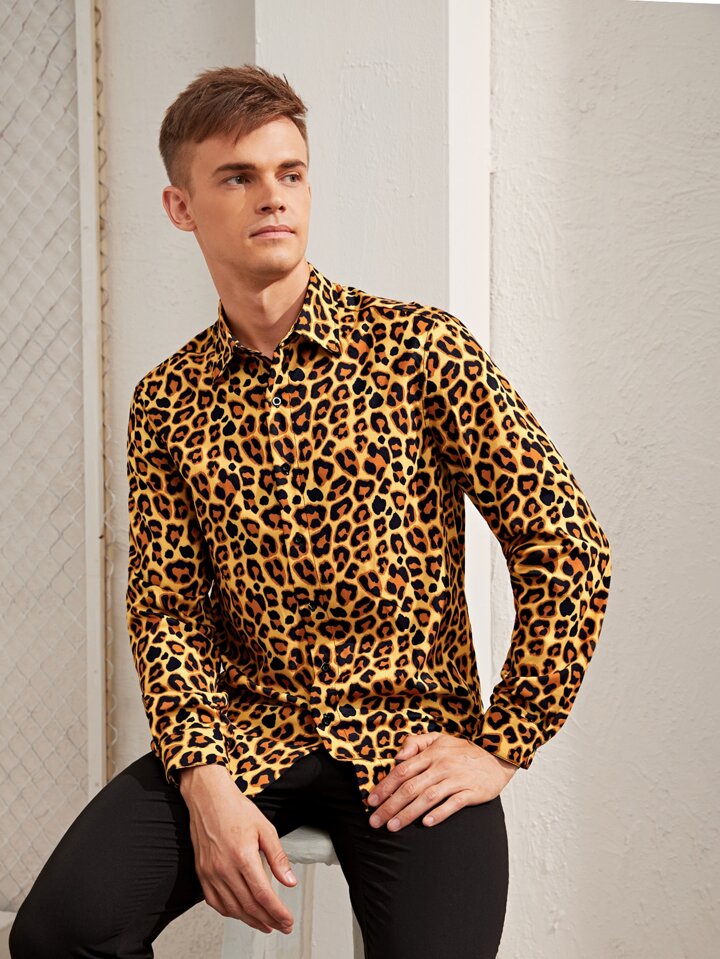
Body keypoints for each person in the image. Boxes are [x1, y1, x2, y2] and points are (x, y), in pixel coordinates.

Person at [9, 64, 612, 959]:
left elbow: (565, 543)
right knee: (59, 933)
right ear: (181, 207)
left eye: (290, 172)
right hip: (247, 732)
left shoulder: (419, 349)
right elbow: (167, 608)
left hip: (410, 742)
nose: (273, 196)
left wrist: (503, 743)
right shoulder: (168, 401)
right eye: (238, 176)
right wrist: (204, 779)